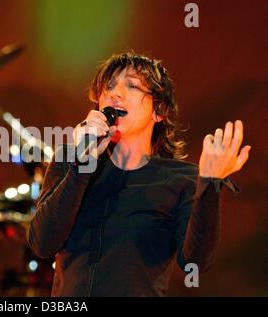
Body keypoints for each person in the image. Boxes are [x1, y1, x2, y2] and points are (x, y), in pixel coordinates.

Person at [27, 52, 251, 296]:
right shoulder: (70, 161)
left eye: (132, 85)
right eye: (109, 87)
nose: (115, 93)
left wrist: (210, 183)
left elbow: (194, 263)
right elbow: (42, 244)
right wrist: (82, 164)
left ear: (159, 110)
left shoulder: (180, 179)